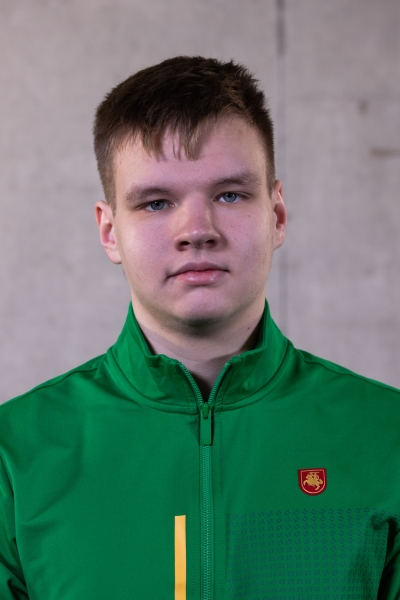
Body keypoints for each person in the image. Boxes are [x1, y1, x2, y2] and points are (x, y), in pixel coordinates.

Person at [1, 56, 400, 600]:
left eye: (229, 194)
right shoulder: (14, 456)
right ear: (110, 231)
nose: (196, 230)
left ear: (277, 215)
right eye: (155, 202)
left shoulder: (386, 438)